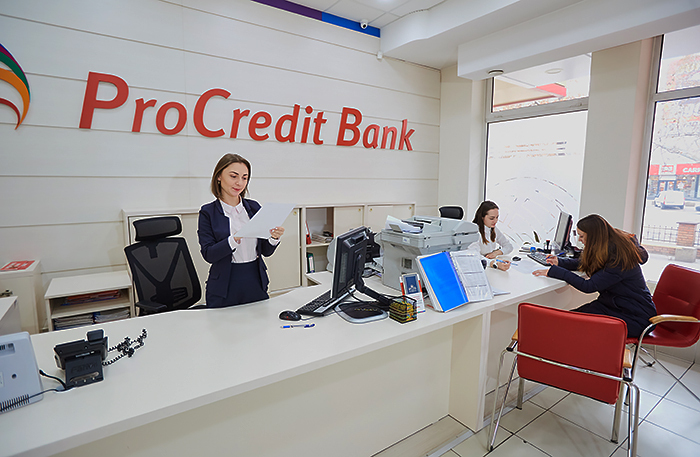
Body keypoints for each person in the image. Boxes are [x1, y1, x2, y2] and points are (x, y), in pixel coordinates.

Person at [532, 214, 656, 338]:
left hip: (633, 317)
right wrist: (560, 262)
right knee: (565, 320)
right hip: (612, 307)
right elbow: (590, 262)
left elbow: (589, 286)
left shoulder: (619, 259)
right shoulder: (607, 247)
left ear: (593, 237)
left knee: (570, 324)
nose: (579, 240)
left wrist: (556, 272)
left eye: (582, 236)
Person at [198, 153, 285, 308]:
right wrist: (234, 239)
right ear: (219, 177)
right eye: (233, 176)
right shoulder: (208, 212)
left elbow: (265, 252)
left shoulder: (254, 207)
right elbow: (209, 254)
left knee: (260, 322)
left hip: (255, 280)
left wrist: (273, 238)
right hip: (224, 285)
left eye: (244, 178)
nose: (239, 183)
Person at [468, 201, 514, 271]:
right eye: (491, 218)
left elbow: (509, 246)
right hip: (479, 267)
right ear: (482, 217)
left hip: (489, 266)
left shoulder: (493, 229)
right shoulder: (474, 232)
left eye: (497, 217)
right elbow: (475, 256)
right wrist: (494, 263)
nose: (495, 221)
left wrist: (497, 253)